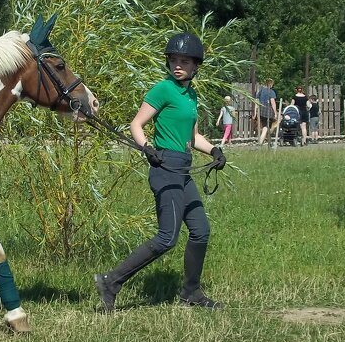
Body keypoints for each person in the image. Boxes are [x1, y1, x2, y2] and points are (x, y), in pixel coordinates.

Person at [94, 32, 225, 312]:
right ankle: (110, 281)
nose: (178, 65)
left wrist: (214, 151)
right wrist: (147, 148)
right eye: (174, 60)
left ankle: (191, 292)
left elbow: (192, 136)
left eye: (184, 61)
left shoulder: (191, 95)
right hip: (164, 166)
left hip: (183, 166)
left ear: (195, 65)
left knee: (201, 230)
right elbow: (136, 125)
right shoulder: (163, 89)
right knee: (167, 237)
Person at [256, 78, 277, 145]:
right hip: (268, 111)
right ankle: (260, 142)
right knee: (266, 127)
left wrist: (256, 111)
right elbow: (272, 102)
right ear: (271, 84)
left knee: (267, 126)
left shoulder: (261, 91)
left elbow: (257, 101)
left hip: (261, 110)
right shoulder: (271, 92)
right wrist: (275, 113)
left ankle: (269, 143)